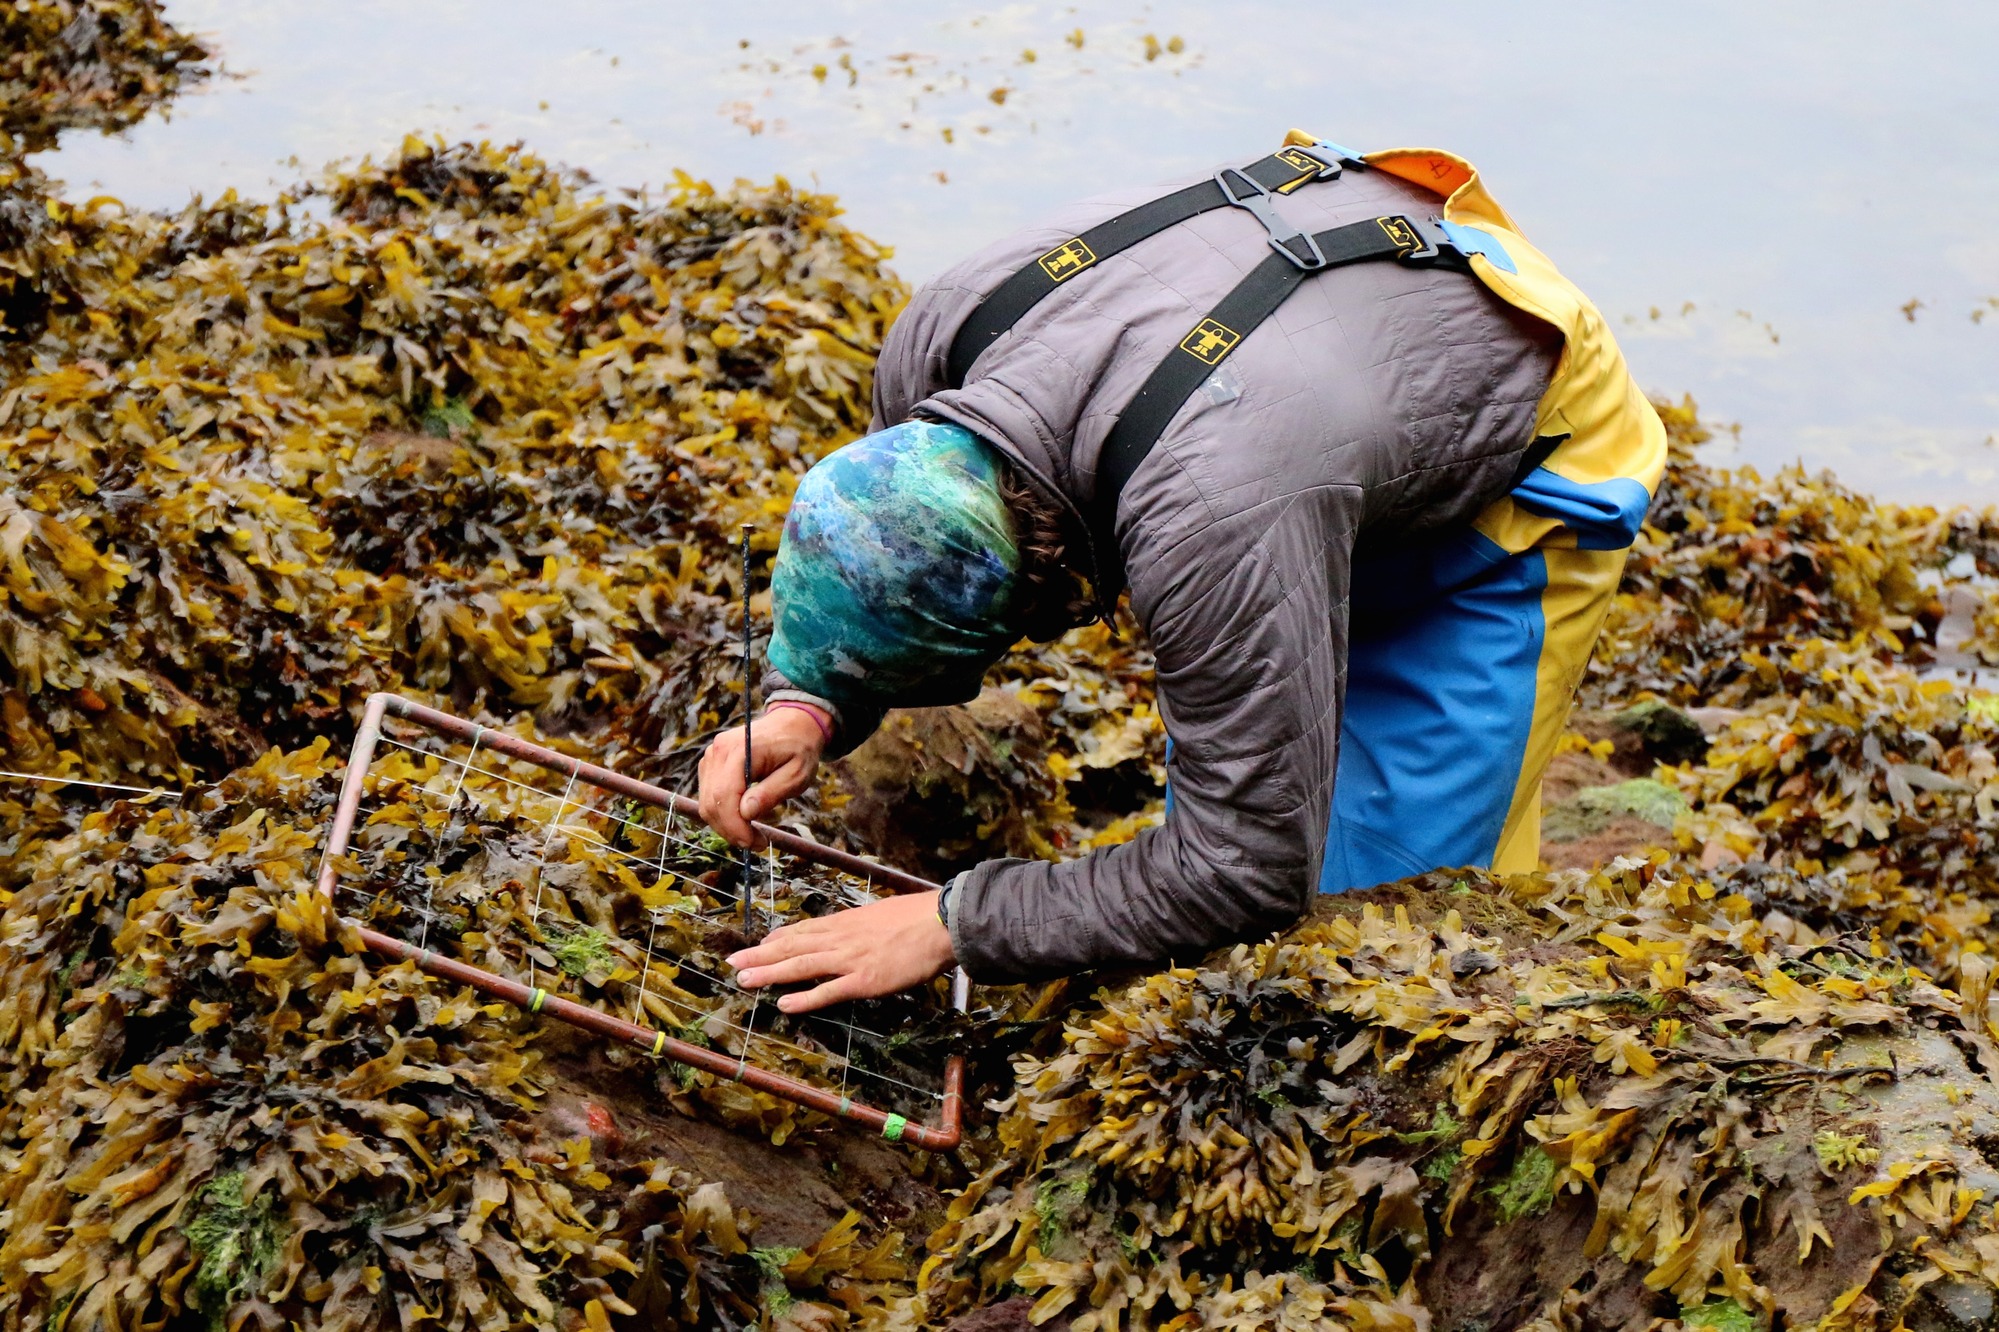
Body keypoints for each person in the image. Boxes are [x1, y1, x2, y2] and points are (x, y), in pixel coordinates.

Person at [697, 132, 1666, 1012]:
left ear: (1044, 596)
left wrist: (952, 923)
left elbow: (1245, 868)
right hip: (1317, 351)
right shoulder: (942, 347)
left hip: (1510, 391)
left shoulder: (1208, 521)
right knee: (1269, 717)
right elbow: (883, 547)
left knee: (1387, 917)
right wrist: (805, 700)